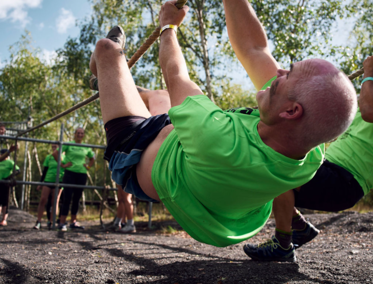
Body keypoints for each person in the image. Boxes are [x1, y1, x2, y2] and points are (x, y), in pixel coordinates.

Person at [89, 0, 356, 247]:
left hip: (137, 153)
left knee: (107, 49)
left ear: (291, 110)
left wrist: (168, 26)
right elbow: (255, 49)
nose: (280, 72)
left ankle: (105, 75)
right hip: (182, 146)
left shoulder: (218, 138)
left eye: (289, 75)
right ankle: (117, 85)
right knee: (159, 97)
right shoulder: (309, 151)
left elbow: (175, 73)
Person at [243, 53, 373, 261]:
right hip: (328, 167)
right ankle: (299, 228)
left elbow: (372, 112)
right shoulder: (369, 101)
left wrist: (368, 73)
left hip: (346, 181)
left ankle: (283, 243)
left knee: (279, 170)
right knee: (272, 160)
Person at [53, 128, 95, 231]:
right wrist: (62, 164)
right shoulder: (69, 144)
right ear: (75, 134)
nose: (80, 135)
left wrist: (88, 167)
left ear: (83, 135)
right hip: (69, 174)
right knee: (66, 198)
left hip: (81, 174)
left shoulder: (86, 147)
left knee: (77, 199)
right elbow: (55, 153)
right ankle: (62, 223)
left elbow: (92, 158)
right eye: (78, 133)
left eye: (82, 133)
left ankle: (73, 222)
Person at [34, 143, 65, 230]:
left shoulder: (64, 157)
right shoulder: (49, 157)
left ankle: (52, 222)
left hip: (59, 181)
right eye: (53, 146)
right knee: (43, 199)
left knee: (55, 201)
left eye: (56, 146)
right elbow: (45, 170)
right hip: (48, 180)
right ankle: (38, 221)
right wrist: (40, 183)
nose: (54, 148)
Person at [0, 149, 20, 226]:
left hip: (6, 184)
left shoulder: (10, 162)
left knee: (5, 202)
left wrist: (9, 177)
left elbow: (18, 170)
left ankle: (4, 220)